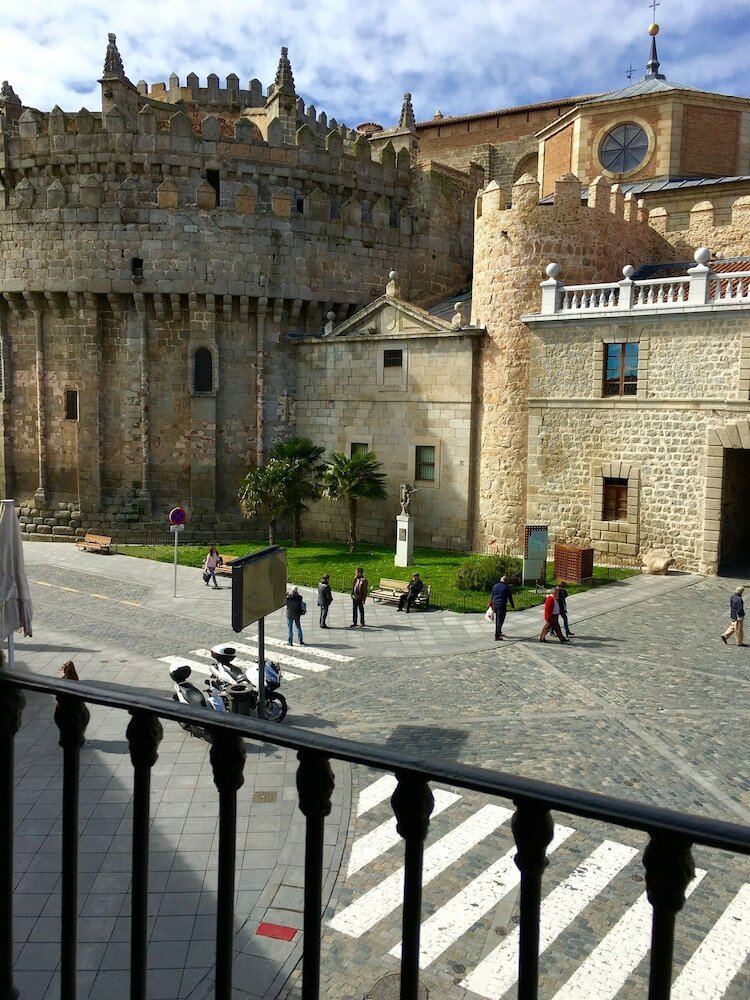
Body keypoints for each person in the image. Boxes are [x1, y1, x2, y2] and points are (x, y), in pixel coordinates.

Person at [489, 575, 515, 640]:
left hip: (495, 605)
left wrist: (491, 604)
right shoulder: (506, 587)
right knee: (500, 621)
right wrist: (512, 605)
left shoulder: (495, 586)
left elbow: (492, 596)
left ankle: (499, 632)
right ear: (505, 581)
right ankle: (497, 636)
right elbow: (510, 597)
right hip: (501, 605)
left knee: (498, 619)